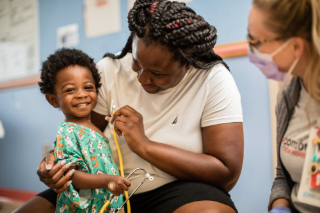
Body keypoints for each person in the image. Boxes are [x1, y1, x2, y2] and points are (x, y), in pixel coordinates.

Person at [15, 1, 244, 213]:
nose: (142, 79)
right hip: (101, 186)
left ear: (188, 63)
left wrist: (144, 146)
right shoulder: (109, 69)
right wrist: (53, 161)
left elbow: (226, 173)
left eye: (157, 73)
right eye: (136, 63)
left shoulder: (212, 79)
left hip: (178, 189)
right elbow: (80, 132)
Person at [247, 0, 320, 212]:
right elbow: (282, 178)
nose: (251, 49)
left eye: (256, 40)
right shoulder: (288, 96)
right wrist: (280, 206)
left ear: (296, 46)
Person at [38, 48, 130, 213]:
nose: (81, 94)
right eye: (70, 90)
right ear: (53, 99)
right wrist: (108, 181)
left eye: (88, 87)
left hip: (107, 203)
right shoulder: (68, 132)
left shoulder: (97, 128)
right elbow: (71, 175)